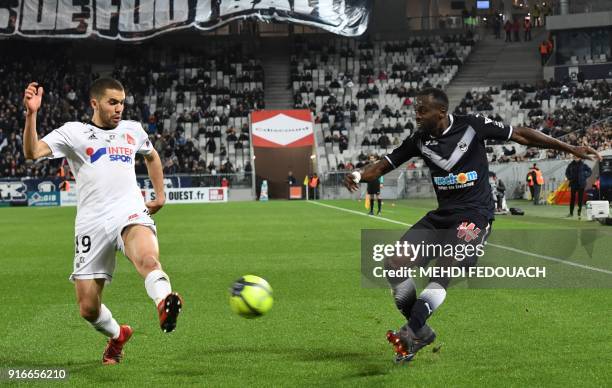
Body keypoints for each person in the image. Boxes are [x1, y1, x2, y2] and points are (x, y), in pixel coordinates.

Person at [343, 87, 600, 363]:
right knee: (394, 264)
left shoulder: (472, 125)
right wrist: (358, 173)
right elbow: (383, 165)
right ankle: (419, 329)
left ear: (441, 112)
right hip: (442, 216)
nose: (416, 114)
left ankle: (412, 330)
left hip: (475, 216)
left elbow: (522, 134)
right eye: (416, 109)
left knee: (445, 265)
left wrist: (570, 147)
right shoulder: (419, 140)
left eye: (422, 110)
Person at [22, 79, 184, 365]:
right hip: (91, 222)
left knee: (147, 258)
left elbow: (152, 156)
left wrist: (160, 196)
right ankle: (118, 335)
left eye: (122, 102)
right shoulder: (74, 132)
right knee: (87, 308)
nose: (119, 108)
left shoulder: (133, 130)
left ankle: (163, 301)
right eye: (113, 102)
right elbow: (32, 152)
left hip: (129, 210)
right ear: (95, 103)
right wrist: (32, 114)